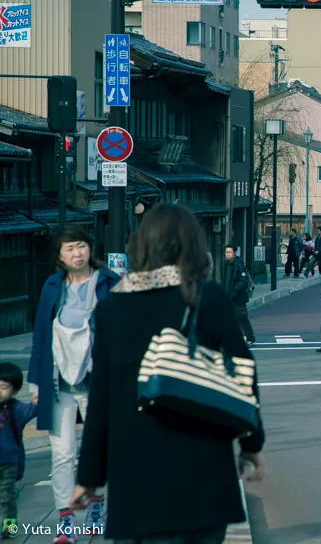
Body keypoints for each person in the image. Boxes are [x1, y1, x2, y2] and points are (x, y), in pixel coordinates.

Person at [71, 202, 266, 543]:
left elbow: (100, 397)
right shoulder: (207, 297)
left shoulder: (112, 307)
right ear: (193, 246)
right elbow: (243, 371)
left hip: (135, 473)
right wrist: (250, 444)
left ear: (142, 245)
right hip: (203, 469)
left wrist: (88, 476)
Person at [27, 225, 119, 541]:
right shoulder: (53, 286)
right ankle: (66, 519)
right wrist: (34, 383)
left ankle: (96, 506)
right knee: (62, 452)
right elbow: (41, 336)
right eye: (69, 249)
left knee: (100, 447)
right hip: (56, 380)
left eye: (81, 246)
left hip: (98, 379)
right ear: (60, 255)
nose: (76, 253)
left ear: (90, 248)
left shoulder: (109, 283)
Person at [0, 362, 37, 539]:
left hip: (9, 462)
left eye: (4, 387)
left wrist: (38, 401)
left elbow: (31, 410)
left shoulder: (16, 408)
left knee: (7, 495)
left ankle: (10, 525)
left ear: (14, 390)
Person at [223, 243, 255, 346]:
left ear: (234, 253)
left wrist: (234, 291)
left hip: (238, 297)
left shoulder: (239, 264)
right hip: (230, 296)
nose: (227, 254)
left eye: (229, 252)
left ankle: (250, 338)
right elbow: (225, 280)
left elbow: (244, 280)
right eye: (226, 252)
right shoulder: (227, 264)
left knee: (242, 318)